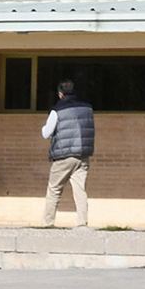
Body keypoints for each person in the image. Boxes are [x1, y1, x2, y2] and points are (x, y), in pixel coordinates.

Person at [38, 79, 95, 229]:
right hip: (83, 155)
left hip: (64, 155)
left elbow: (46, 133)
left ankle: (48, 223)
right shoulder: (87, 108)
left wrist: (45, 128)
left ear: (60, 94)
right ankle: (82, 223)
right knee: (80, 190)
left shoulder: (57, 110)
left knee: (54, 189)